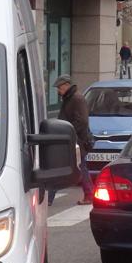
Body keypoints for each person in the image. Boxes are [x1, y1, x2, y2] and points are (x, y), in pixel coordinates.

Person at [48, 75, 94, 206]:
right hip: (70, 139)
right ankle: (50, 198)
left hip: (75, 140)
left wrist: (68, 132)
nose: (58, 91)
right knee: (74, 167)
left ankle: (89, 195)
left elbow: (82, 121)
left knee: (72, 167)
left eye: (60, 88)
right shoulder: (70, 98)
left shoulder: (76, 99)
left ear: (67, 85)